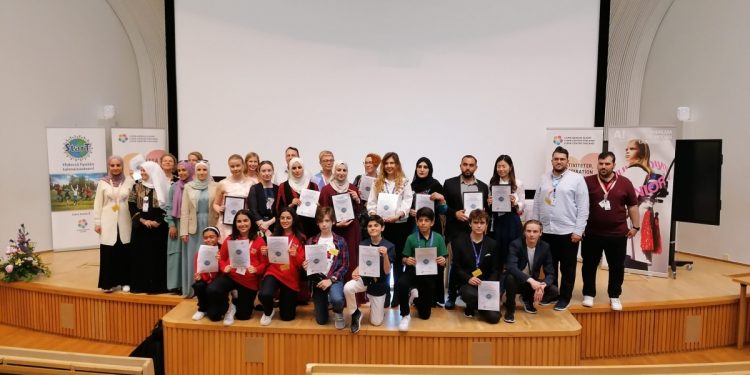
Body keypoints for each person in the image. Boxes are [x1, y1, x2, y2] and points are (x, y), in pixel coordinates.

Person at [531, 146, 589, 311]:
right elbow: (536, 203)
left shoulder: (577, 179)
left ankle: (565, 297)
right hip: (547, 231)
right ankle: (552, 293)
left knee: (567, 267)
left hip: (567, 232)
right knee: (550, 267)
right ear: (552, 161)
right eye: (556, 159)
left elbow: (583, 207)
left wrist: (578, 230)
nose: (559, 161)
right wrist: (536, 227)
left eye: (562, 159)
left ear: (567, 161)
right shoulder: (544, 178)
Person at [582, 152, 639, 311]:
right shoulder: (587, 182)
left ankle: (614, 295)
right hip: (591, 233)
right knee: (589, 265)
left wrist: (635, 226)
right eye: (600, 163)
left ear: (614, 164)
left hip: (617, 234)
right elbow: (579, 206)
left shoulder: (625, 183)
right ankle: (588, 294)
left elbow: (633, 206)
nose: (603, 167)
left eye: (607, 164)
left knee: (617, 266)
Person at [366, 152, 414, 308]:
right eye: (386, 163)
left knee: (399, 262)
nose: (389, 166)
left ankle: (398, 297)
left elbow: (407, 202)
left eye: (392, 163)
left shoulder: (405, 182)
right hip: (383, 228)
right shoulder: (377, 183)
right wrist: (376, 216)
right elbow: (371, 203)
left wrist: (398, 215)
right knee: (382, 261)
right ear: (383, 165)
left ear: (397, 164)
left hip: (400, 226)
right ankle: (384, 295)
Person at [442, 155, 489, 309]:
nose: (468, 167)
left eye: (471, 165)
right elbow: (443, 208)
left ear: (476, 167)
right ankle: (451, 297)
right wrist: (454, 213)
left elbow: (485, 212)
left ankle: (472, 292)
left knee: (475, 263)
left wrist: (484, 210)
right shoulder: (449, 184)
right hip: (456, 231)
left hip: (476, 232)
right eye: (465, 164)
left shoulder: (482, 186)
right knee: (456, 264)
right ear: (460, 166)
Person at [206, 209, 268, 325]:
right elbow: (222, 259)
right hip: (231, 276)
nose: (242, 224)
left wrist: (256, 269)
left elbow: (264, 264)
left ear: (251, 222)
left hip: (249, 281)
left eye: (245, 220)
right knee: (213, 301)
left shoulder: (259, 241)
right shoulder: (230, 239)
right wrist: (224, 267)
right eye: (239, 221)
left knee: (243, 316)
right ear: (235, 224)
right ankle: (226, 306)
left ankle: (235, 303)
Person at [397, 207, 448, 331]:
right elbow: (403, 258)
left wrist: (443, 260)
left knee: (425, 315)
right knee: (401, 284)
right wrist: (406, 260)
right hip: (413, 271)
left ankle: (414, 296)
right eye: (420, 220)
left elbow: (444, 258)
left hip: (429, 275)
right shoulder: (411, 238)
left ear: (432, 222)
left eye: (426, 220)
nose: (423, 223)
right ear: (416, 221)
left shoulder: (438, 238)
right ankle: (405, 314)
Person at [343, 215, 395, 333]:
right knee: (348, 287)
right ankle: (355, 313)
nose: (373, 228)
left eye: (376, 225)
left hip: (379, 284)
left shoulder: (389, 246)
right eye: (370, 226)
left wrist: (385, 255)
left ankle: (377, 308)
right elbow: (362, 264)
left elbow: (387, 271)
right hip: (365, 280)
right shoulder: (363, 244)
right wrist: (356, 270)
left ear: (382, 228)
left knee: (376, 323)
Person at [408, 157, 448, 305]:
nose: (422, 169)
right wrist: (410, 211)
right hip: (414, 228)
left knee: (434, 261)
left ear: (430, 169)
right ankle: (415, 295)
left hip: (432, 229)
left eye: (425, 167)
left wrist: (442, 198)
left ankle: (436, 298)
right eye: (419, 166)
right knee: (415, 260)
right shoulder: (410, 186)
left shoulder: (435, 184)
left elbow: (444, 210)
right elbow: (404, 206)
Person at [504, 220, 559, 323]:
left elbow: (550, 272)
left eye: (535, 231)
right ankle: (510, 310)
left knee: (554, 291)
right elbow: (511, 267)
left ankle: (527, 299)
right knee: (510, 278)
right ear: (524, 232)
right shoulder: (515, 244)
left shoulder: (545, 247)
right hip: (517, 281)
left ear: (540, 233)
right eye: (528, 231)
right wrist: (530, 280)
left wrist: (543, 285)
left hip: (532, 282)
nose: (531, 234)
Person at [258, 208, 306, 325]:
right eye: (282, 218)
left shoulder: (300, 238)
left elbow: (302, 264)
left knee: (287, 317)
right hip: (274, 272)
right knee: (264, 294)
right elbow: (267, 261)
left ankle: (283, 305)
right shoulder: (274, 237)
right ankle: (268, 312)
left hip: (290, 277)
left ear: (293, 219)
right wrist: (264, 253)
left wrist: (296, 255)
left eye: (288, 218)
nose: (285, 220)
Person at [128, 161, 171, 294]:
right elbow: (131, 205)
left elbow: (168, 207)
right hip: (140, 228)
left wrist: (158, 221)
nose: (142, 173)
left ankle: (157, 287)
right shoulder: (136, 187)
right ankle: (140, 285)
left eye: (145, 171)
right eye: (141, 171)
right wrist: (142, 220)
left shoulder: (165, 187)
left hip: (159, 229)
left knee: (157, 256)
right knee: (140, 256)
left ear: (153, 172)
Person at [94, 155, 135, 293]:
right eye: (112, 165)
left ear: (122, 166)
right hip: (107, 222)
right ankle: (108, 283)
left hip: (125, 220)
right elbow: (97, 204)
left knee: (125, 251)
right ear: (108, 166)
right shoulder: (103, 182)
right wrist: (97, 222)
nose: (115, 168)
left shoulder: (130, 181)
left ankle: (126, 281)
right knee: (109, 252)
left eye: (118, 165)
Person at [452, 210, 501, 324]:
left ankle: (473, 307)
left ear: (486, 225)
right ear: (470, 224)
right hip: (467, 283)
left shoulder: (493, 244)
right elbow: (456, 267)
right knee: (469, 294)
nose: (479, 225)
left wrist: (489, 285)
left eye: (482, 223)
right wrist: (468, 278)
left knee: (494, 319)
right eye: (475, 222)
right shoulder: (459, 242)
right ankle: (482, 306)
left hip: (486, 284)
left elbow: (495, 269)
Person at [303, 207, 349, 329]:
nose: (324, 224)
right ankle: (322, 304)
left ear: (333, 221)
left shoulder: (340, 241)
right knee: (321, 320)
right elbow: (308, 265)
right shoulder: (311, 241)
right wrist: (305, 266)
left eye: (327, 221)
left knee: (337, 299)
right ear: (317, 223)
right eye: (321, 221)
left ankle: (338, 312)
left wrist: (331, 280)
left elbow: (345, 266)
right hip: (318, 280)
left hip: (334, 278)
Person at [180, 160, 219, 297]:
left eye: (204, 170)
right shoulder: (189, 186)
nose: (202, 172)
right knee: (194, 258)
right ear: (195, 172)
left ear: (208, 171)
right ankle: (194, 289)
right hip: (193, 228)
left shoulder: (216, 186)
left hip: (210, 225)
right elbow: (184, 210)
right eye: (199, 170)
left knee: (211, 257)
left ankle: (210, 288)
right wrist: (183, 231)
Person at [318, 161, 361, 284]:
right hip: (335, 230)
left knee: (352, 258)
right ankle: (335, 291)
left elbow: (360, 211)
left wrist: (357, 199)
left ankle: (352, 292)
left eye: (344, 170)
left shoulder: (353, 188)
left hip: (352, 230)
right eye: (338, 170)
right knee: (335, 258)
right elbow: (324, 213)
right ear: (334, 171)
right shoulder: (326, 190)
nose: (341, 173)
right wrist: (336, 224)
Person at [622, 139, 661, 266]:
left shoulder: (635, 171)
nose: (627, 151)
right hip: (642, 216)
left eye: (632, 149)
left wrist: (618, 217)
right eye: (627, 149)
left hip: (634, 217)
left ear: (642, 152)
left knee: (631, 256)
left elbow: (630, 198)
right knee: (638, 257)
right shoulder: (645, 171)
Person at [487, 155, 524, 259]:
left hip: (512, 221)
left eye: (504, 166)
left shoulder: (518, 183)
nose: (501, 169)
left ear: (510, 167)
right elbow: (489, 205)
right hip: (497, 220)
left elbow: (522, 205)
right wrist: (489, 202)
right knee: (497, 251)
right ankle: (498, 274)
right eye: (498, 166)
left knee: (512, 250)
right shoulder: (492, 182)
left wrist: (514, 203)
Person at [165, 160, 194, 294]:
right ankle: (177, 285)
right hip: (176, 223)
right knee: (176, 255)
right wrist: (171, 224)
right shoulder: (174, 187)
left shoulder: (194, 186)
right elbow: (169, 206)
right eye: (179, 170)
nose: (182, 173)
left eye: (184, 170)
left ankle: (189, 284)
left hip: (191, 223)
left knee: (189, 254)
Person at [276, 157, 319, 238]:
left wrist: (318, 206)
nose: (297, 170)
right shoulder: (283, 186)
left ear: (303, 168)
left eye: (299, 167)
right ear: (289, 170)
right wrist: (291, 205)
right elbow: (278, 209)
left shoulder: (313, 185)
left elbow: (320, 210)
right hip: (291, 229)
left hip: (311, 227)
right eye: (294, 168)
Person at [213, 154, 253, 240]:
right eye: (232, 166)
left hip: (244, 224)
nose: (235, 168)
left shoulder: (251, 183)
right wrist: (219, 209)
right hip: (226, 225)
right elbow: (215, 204)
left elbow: (253, 206)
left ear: (243, 165)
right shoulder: (222, 183)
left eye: (238, 165)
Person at [191, 226, 220, 321]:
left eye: (212, 237)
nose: (209, 240)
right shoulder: (199, 253)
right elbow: (198, 270)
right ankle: (202, 309)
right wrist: (198, 277)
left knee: (214, 316)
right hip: (206, 281)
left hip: (219, 283)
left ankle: (224, 306)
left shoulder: (223, 250)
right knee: (198, 285)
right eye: (206, 238)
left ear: (218, 237)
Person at [352, 153, 381, 237]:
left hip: (375, 217)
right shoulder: (359, 178)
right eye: (366, 162)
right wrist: (357, 197)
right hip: (361, 218)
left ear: (376, 164)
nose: (367, 165)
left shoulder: (382, 180)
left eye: (370, 162)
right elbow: (352, 200)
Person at [247, 160, 278, 237]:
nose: (267, 173)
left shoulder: (278, 188)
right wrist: (264, 228)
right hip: (259, 227)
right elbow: (253, 210)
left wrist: (268, 223)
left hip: (275, 225)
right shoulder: (254, 188)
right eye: (263, 171)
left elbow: (280, 210)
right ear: (259, 172)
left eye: (269, 170)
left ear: (273, 172)